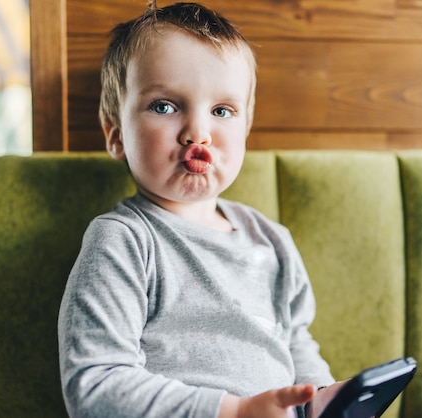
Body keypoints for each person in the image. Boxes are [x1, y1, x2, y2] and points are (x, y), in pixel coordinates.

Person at [58, 2, 343, 417]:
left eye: (222, 111)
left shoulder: (272, 242)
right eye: (165, 106)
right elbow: (95, 385)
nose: (199, 133)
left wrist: (324, 399)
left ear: (244, 130)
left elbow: (297, 344)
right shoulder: (124, 241)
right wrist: (234, 411)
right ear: (116, 135)